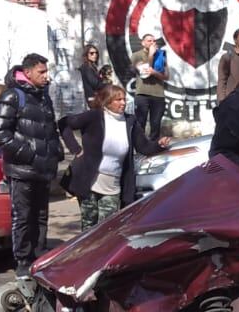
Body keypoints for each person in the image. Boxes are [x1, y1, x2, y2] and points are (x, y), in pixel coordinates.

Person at [0, 53, 63, 276]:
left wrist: (56, 151)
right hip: (22, 170)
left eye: (46, 71)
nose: (46, 76)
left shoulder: (43, 97)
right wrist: (28, 154)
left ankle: (40, 255)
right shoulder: (13, 96)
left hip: (43, 169)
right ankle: (23, 260)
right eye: (42, 72)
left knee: (40, 215)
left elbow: (50, 129)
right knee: (23, 217)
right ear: (28, 72)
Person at [59, 85, 172, 230]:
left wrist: (159, 145)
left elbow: (144, 147)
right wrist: (75, 148)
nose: (123, 103)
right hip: (89, 182)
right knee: (88, 229)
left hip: (112, 185)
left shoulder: (130, 121)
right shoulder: (94, 116)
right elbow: (64, 123)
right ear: (107, 101)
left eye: (124, 99)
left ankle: (103, 253)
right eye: (118, 99)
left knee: (107, 229)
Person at [131, 33, 168, 141]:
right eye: (149, 41)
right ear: (143, 43)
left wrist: (155, 73)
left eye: (154, 41)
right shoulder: (136, 55)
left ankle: (153, 147)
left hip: (158, 94)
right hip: (143, 94)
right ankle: (140, 147)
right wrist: (151, 55)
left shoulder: (161, 55)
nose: (152, 43)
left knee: (156, 124)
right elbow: (145, 73)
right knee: (140, 122)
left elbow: (166, 76)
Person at [216, 28, 239, 102]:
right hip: (232, 99)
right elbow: (222, 80)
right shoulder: (227, 57)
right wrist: (222, 100)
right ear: (235, 40)